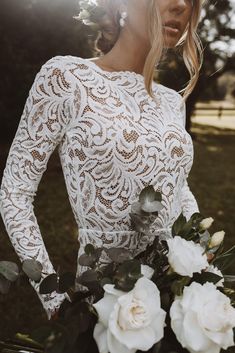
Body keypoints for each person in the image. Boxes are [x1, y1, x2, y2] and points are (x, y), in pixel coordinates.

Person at [0, 0, 204, 321]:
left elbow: (179, 187)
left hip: (179, 300)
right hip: (106, 306)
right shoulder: (67, 78)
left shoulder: (172, 101)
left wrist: (200, 259)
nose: (181, 4)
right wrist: (55, 301)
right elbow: (15, 193)